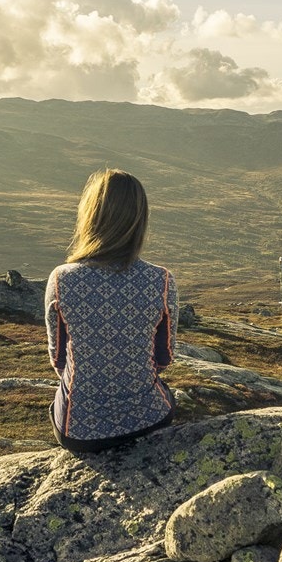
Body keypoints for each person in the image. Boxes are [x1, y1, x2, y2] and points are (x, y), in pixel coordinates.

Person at [44, 168, 178, 452]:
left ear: (90, 216)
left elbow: (58, 359)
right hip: (150, 418)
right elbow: (164, 357)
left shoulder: (61, 279)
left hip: (78, 430)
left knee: (60, 397)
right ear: (139, 220)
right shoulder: (161, 280)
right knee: (167, 394)